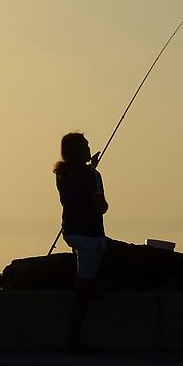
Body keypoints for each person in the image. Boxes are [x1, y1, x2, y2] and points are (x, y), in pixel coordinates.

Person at [54, 132, 108, 352]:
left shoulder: (61, 174)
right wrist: (95, 177)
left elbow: (76, 189)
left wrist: (92, 170)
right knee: (83, 286)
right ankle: (72, 339)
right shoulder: (92, 176)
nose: (89, 148)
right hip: (90, 236)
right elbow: (101, 207)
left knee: (85, 279)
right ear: (79, 151)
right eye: (86, 145)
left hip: (71, 231)